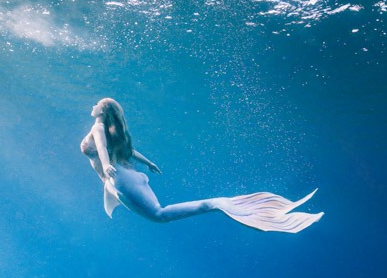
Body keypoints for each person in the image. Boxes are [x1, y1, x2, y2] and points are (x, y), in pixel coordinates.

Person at [80, 98, 323, 233]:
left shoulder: (98, 128)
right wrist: (148, 163)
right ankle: (220, 205)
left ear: (104, 110)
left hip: (119, 177)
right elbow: (128, 151)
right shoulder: (111, 130)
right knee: (160, 215)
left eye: (97, 104)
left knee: (159, 216)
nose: (92, 107)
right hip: (123, 177)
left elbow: (102, 149)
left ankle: (216, 204)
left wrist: (107, 166)